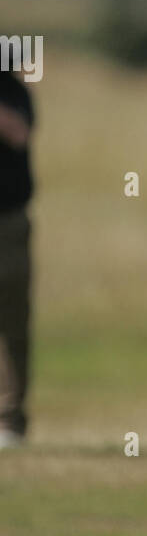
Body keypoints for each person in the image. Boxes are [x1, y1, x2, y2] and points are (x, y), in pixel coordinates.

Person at [0, 66, 35, 447]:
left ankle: (9, 421)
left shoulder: (12, 89)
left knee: (11, 319)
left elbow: (18, 132)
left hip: (8, 221)